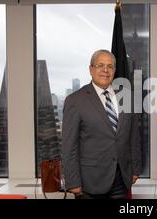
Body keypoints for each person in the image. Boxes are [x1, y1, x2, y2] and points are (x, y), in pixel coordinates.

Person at [61, 49, 142, 199]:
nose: (106, 70)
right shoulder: (75, 101)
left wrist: (136, 169)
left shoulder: (127, 97)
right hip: (89, 183)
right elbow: (69, 146)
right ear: (91, 69)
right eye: (100, 65)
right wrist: (73, 182)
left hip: (121, 179)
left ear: (114, 70)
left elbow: (133, 137)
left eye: (110, 66)